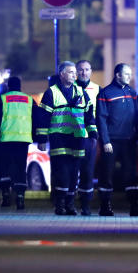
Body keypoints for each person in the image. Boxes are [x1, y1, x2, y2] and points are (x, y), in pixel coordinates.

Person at [36, 61, 97, 216]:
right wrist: (42, 139)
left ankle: (70, 205)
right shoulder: (51, 92)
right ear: (61, 74)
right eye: (71, 72)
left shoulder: (81, 92)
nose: (74, 75)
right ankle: (60, 204)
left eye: (74, 72)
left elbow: (89, 115)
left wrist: (93, 134)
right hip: (59, 139)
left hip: (77, 139)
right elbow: (43, 117)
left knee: (74, 172)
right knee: (62, 172)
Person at [96, 63, 138, 216]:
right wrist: (106, 141)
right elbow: (101, 119)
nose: (130, 77)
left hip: (129, 140)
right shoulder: (105, 93)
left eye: (130, 74)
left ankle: (134, 205)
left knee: (131, 173)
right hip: (112, 141)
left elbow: (136, 116)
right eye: (127, 74)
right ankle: (105, 206)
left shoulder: (132, 92)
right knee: (107, 173)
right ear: (117, 75)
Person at [0, 76, 34, 210]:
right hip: (23, 140)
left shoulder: (2, 99)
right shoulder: (29, 99)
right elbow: (36, 118)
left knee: (4, 168)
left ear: (9, 86)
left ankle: (6, 197)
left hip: (5, 140)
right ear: (20, 86)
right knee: (21, 169)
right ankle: (20, 199)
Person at [75, 59, 100, 215]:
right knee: (71, 171)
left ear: (91, 71)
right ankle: (68, 203)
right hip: (72, 136)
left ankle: (85, 205)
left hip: (90, 138)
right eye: (81, 70)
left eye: (87, 69)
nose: (84, 72)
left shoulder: (98, 89)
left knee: (88, 172)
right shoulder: (70, 88)